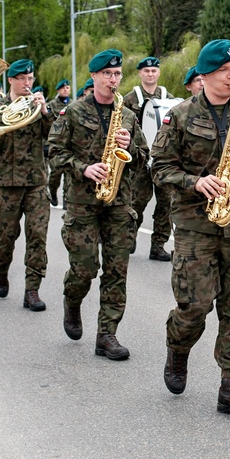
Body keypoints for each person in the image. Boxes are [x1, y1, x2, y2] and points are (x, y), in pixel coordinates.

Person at [152, 39, 230, 420]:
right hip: (196, 227)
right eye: (224, 71)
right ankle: (178, 348)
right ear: (204, 76)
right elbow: (159, 167)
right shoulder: (182, 115)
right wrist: (195, 182)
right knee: (195, 307)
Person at [49, 49, 148, 360]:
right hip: (83, 204)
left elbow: (144, 159)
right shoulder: (74, 113)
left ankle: (107, 335)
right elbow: (53, 152)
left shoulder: (128, 116)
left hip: (119, 204)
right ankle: (72, 300)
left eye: (117, 74)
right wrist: (84, 168)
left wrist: (129, 145)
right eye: (107, 74)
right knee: (85, 268)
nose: (113, 79)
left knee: (117, 271)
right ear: (93, 77)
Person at [0, 59, 54, 312]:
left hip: (35, 182)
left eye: (31, 78)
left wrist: (44, 111)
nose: (27, 83)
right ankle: (1, 270)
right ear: (11, 80)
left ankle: (32, 290)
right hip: (6, 183)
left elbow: (54, 134)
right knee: (4, 240)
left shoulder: (37, 106)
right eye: (22, 79)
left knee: (38, 236)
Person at [122, 57, 175, 260]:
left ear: (158, 73)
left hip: (162, 160)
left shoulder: (167, 97)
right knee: (137, 202)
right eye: (146, 71)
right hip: (140, 160)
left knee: (165, 204)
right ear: (140, 74)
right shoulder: (130, 98)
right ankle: (129, 239)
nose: (150, 74)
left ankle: (158, 245)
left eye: (154, 70)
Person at [46, 79, 71, 207]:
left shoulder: (74, 105)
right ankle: (53, 191)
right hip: (56, 145)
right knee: (55, 174)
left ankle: (66, 200)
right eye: (63, 88)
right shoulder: (51, 105)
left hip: (69, 145)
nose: (66, 90)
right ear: (58, 90)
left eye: (68, 87)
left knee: (69, 173)